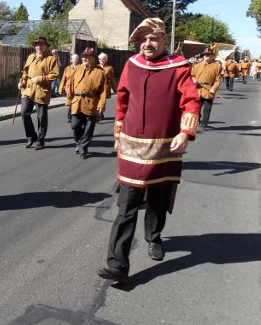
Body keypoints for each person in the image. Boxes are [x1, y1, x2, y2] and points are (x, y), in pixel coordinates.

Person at [97, 18, 200, 284]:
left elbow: (191, 101)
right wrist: (117, 134)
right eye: (143, 39)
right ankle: (117, 263)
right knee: (127, 204)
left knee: (157, 197)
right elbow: (122, 101)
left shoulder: (178, 67)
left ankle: (153, 237)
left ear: (164, 40)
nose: (147, 44)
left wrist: (185, 132)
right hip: (131, 145)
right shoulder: (132, 65)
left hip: (165, 145)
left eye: (152, 39)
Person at [18, 37, 60, 150]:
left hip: (42, 90)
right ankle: (31, 136)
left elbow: (55, 75)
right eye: (36, 45)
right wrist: (22, 82)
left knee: (41, 117)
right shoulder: (31, 57)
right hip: (29, 89)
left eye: (41, 45)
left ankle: (40, 140)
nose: (38, 47)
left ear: (46, 46)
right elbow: (25, 72)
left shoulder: (51, 59)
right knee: (24, 113)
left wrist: (40, 79)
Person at [66, 47, 107, 159]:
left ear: (93, 59)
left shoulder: (100, 72)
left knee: (88, 130)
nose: (84, 58)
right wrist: (68, 101)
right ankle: (79, 142)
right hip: (77, 102)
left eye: (87, 56)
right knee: (75, 126)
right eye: (83, 56)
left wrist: (101, 104)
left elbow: (103, 90)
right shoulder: (77, 69)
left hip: (91, 103)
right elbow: (70, 86)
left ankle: (83, 147)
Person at [191, 48, 222, 131]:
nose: (206, 56)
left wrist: (213, 89)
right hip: (198, 89)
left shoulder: (217, 67)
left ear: (212, 56)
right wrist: (194, 80)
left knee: (207, 109)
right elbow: (192, 75)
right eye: (205, 55)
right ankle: (198, 119)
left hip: (209, 90)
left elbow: (217, 80)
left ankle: (204, 124)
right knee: (196, 107)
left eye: (208, 54)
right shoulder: (197, 65)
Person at [59, 53, 79, 123]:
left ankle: (74, 116)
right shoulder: (67, 68)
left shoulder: (80, 68)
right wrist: (61, 88)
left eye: (76, 59)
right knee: (69, 102)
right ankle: (69, 117)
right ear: (71, 60)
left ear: (77, 60)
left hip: (76, 88)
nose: (74, 61)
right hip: (68, 88)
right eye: (73, 59)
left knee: (75, 102)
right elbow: (63, 79)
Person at [97, 52, 118, 122]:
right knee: (96, 101)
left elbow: (112, 79)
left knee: (102, 101)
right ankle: (98, 113)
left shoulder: (109, 68)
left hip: (105, 88)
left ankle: (100, 113)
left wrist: (115, 89)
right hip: (96, 87)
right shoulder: (96, 67)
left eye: (103, 59)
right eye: (100, 59)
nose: (102, 61)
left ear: (106, 60)